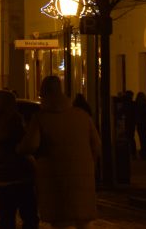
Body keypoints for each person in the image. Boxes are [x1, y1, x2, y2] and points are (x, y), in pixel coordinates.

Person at [18, 75, 101, 229]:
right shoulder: (82, 116)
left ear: (45, 94)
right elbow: (96, 145)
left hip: (55, 179)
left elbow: (30, 145)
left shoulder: (41, 119)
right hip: (83, 179)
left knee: (61, 222)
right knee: (84, 222)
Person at [0, 90, 38, 229]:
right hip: (18, 176)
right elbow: (22, 145)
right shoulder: (13, 120)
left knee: (6, 217)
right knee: (29, 216)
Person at [123, 90, 137, 158]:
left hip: (127, 123)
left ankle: (129, 152)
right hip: (131, 123)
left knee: (128, 138)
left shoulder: (125, 104)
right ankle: (132, 153)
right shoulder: (133, 104)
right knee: (131, 138)